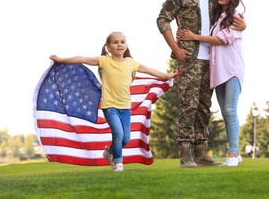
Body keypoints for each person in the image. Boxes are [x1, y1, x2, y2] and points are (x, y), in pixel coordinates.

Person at [156, 0, 247, 168]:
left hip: (214, 61)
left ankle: (200, 153)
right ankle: (186, 155)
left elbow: (231, 17)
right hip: (190, 57)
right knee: (189, 105)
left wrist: (243, 24)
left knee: (205, 107)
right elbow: (162, 20)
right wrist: (176, 49)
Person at [49, 31, 178, 172]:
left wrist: (166, 76)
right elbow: (82, 58)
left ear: (126, 46)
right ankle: (118, 163)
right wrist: (61, 60)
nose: (119, 45)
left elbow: (149, 70)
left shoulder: (131, 63)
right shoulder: (104, 61)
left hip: (125, 107)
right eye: (115, 42)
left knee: (125, 139)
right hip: (110, 106)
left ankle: (109, 152)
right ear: (108, 47)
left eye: (122, 42)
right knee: (118, 133)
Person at [177, 0, 246, 166]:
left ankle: (233, 154)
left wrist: (194, 37)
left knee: (230, 111)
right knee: (225, 112)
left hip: (231, 70)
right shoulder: (219, 18)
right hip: (219, 72)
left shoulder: (235, 17)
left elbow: (221, 40)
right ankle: (236, 152)